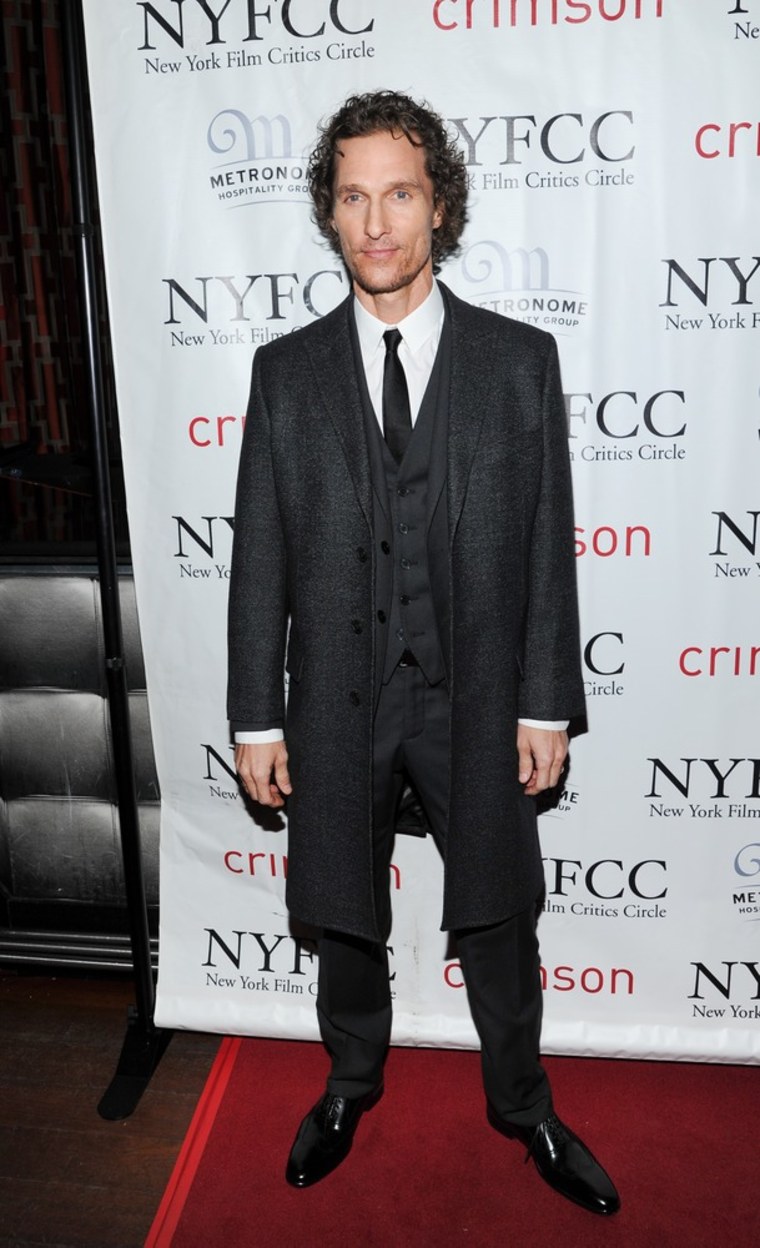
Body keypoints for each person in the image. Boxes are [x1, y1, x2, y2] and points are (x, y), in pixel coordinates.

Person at [228, 90, 619, 1216]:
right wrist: (258, 717)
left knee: (498, 913)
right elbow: (260, 559)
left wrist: (545, 700)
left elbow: (548, 544)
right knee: (343, 909)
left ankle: (525, 1107)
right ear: (330, 215)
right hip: (340, 707)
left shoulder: (515, 363)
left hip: (478, 697)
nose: (376, 221)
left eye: (398, 192)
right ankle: (350, 1084)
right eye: (352, 198)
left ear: (438, 205)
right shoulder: (286, 374)